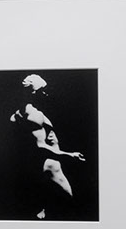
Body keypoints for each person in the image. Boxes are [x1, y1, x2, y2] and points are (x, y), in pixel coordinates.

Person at [9, 73, 85, 219]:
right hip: (50, 166)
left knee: (49, 210)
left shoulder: (19, 114)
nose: (45, 93)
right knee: (70, 205)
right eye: (42, 90)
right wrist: (70, 155)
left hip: (44, 166)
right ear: (32, 92)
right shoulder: (34, 115)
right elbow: (40, 147)